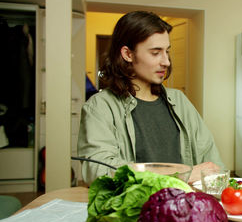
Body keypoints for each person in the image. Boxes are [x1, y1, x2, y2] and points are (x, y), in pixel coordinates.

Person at [78, 11, 225, 184]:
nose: (166, 62)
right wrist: (181, 175)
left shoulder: (180, 101)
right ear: (128, 54)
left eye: (167, 51)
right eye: (156, 53)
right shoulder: (100, 107)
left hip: (184, 206)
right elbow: (99, 171)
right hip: (137, 209)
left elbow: (214, 167)